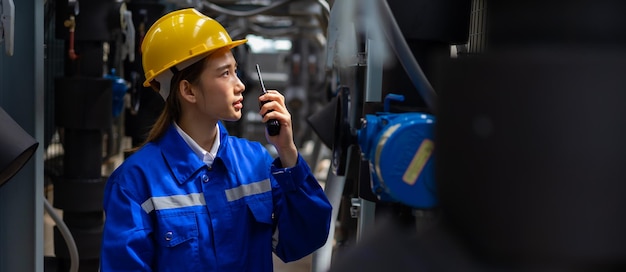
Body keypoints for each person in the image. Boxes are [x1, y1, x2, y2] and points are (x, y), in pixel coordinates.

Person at [100, 8, 332, 271]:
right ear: (188, 90)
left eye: (236, 70)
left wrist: (288, 153)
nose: (240, 84)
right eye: (225, 73)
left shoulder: (255, 162)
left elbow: (304, 239)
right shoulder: (135, 182)